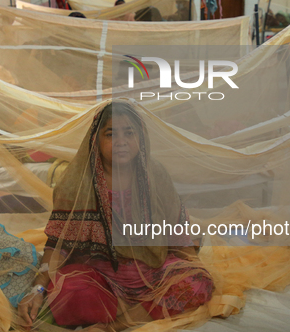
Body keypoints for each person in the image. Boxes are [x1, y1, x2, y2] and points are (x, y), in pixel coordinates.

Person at [18, 100, 214, 330]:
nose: (122, 142)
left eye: (129, 133)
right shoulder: (76, 183)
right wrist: (38, 289)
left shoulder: (156, 175)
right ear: (96, 140)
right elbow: (57, 245)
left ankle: (113, 326)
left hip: (154, 269)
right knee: (71, 292)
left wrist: (193, 268)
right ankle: (144, 311)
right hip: (101, 275)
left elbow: (176, 230)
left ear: (140, 138)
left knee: (197, 283)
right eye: (111, 134)